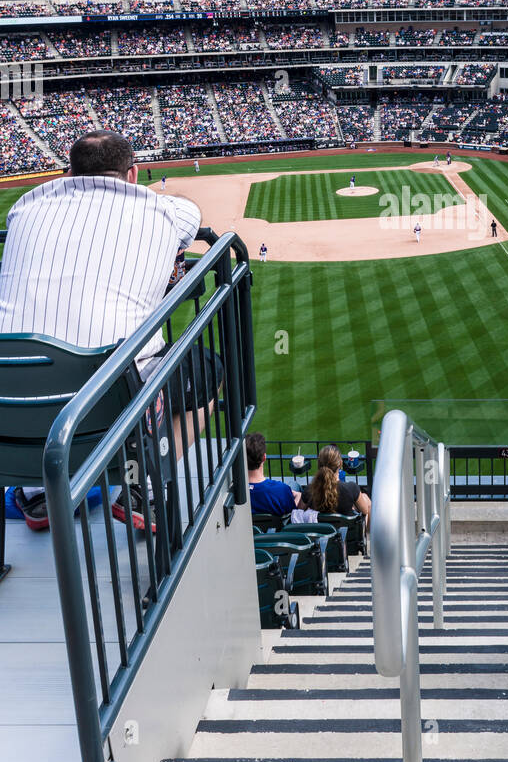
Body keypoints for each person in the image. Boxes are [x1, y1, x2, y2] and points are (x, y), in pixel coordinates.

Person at [0, 131, 217, 531]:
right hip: (110, 402)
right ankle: (142, 485)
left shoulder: (24, 207)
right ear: (133, 174)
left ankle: (39, 493)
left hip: (11, 403)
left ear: (68, 172)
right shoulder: (162, 210)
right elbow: (191, 213)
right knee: (208, 370)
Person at [303, 444, 371, 519]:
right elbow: (365, 511)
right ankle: (369, 531)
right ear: (340, 464)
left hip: (319, 530)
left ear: (319, 464)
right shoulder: (351, 489)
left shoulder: (308, 490)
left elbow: (300, 510)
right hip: (347, 529)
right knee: (366, 501)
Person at [245, 432, 303, 518]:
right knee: (294, 485)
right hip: (277, 529)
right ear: (264, 457)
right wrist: (299, 496)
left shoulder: (234, 494)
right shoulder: (281, 489)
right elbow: (290, 514)